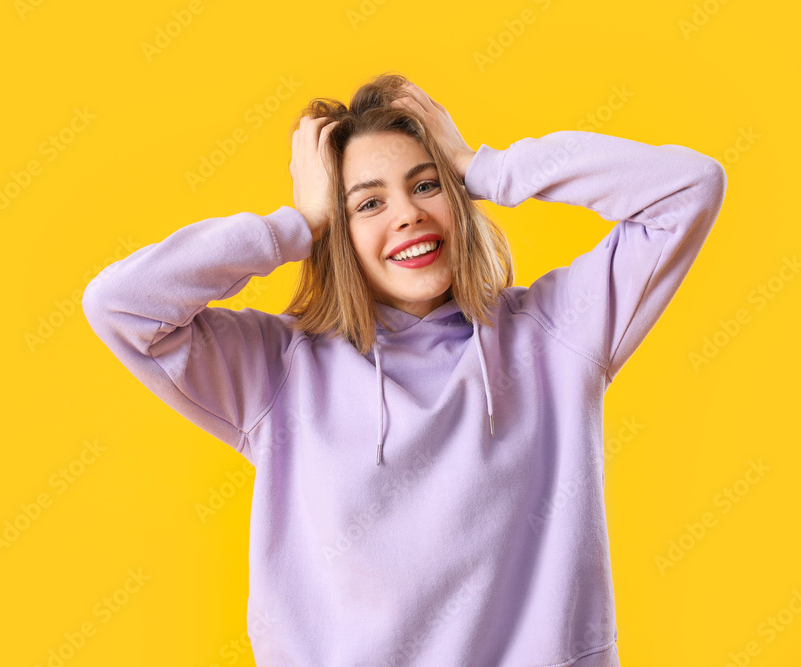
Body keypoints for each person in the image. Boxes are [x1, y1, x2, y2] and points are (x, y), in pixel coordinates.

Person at [81, 73, 727, 666]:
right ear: (337, 230)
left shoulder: (554, 334)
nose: (408, 214)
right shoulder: (276, 372)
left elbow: (689, 187)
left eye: (427, 184)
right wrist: (296, 224)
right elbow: (121, 305)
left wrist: (484, 165)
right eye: (366, 204)